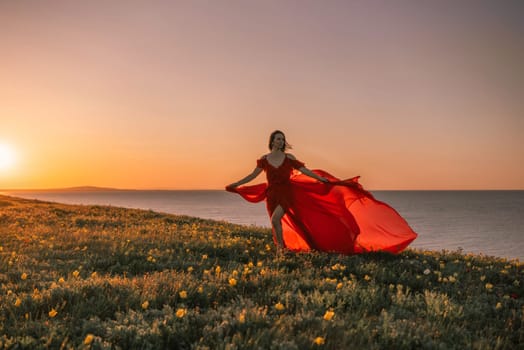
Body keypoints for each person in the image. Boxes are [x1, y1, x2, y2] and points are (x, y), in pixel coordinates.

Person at [226, 130, 417, 255]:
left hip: (286, 193)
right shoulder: (264, 159)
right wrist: (236, 183)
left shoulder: (289, 157)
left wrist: (321, 179)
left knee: (276, 219)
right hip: (272, 194)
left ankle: (280, 250)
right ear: (272, 141)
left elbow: (305, 171)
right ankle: (296, 247)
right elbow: (253, 175)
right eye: (278, 139)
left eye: (283, 139)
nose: (281, 141)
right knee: (283, 221)